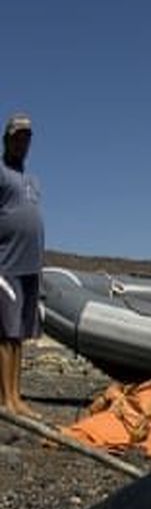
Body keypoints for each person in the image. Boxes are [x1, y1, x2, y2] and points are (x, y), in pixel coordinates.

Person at [0, 113, 44, 418]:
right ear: (6, 139)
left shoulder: (32, 180)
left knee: (20, 335)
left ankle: (17, 395)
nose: (21, 143)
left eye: (26, 138)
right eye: (16, 137)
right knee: (5, 333)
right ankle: (6, 400)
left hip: (30, 264)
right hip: (6, 264)